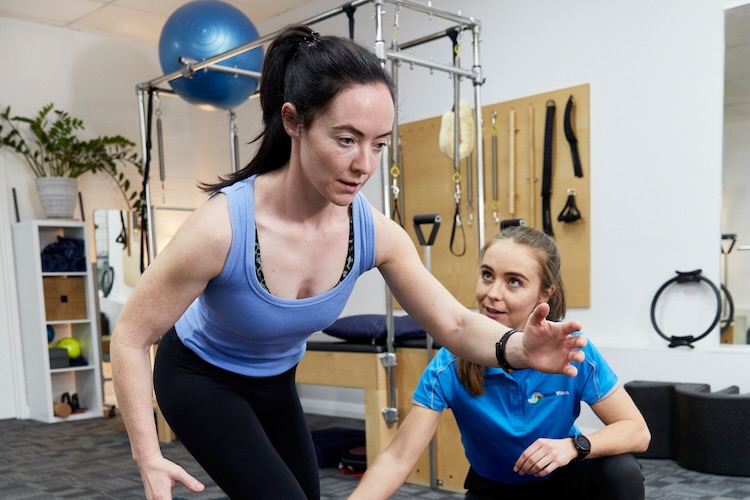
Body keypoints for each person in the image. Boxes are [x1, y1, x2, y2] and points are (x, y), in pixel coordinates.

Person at [110, 25, 586, 500]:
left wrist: (520, 349)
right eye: (346, 140)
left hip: (275, 380)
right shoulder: (222, 229)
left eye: (378, 144)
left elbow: (456, 325)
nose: (365, 164)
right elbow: (131, 336)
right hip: (199, 375)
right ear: (294, 121)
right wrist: (148, 457)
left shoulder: (371, 231)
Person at [350, 225, 651, 500]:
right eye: (487, 275)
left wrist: (573, 446)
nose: (492, 294)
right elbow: (399, 457)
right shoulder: (450, 363)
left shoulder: (570, 349)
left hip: (563, 479)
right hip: (493, 488)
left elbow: (637, 431)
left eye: (514, 282)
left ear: (545, 293)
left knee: (621, 471)